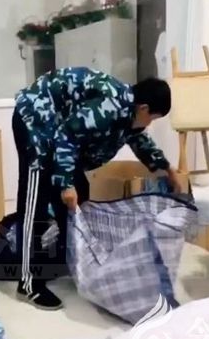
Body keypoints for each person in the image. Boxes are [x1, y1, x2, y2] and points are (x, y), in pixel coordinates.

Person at [12, 67, 179, 310]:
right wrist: (65, 184)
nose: (150, 124)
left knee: (80, 191)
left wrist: (166, 167)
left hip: (57, 126)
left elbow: (138, 138)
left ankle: (63, 258)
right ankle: (28, 282)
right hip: (35, 118)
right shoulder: (108, 108)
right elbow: (67, 136)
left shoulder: (129, 111)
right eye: (153, 118)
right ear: (143, 108)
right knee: (35, 196)